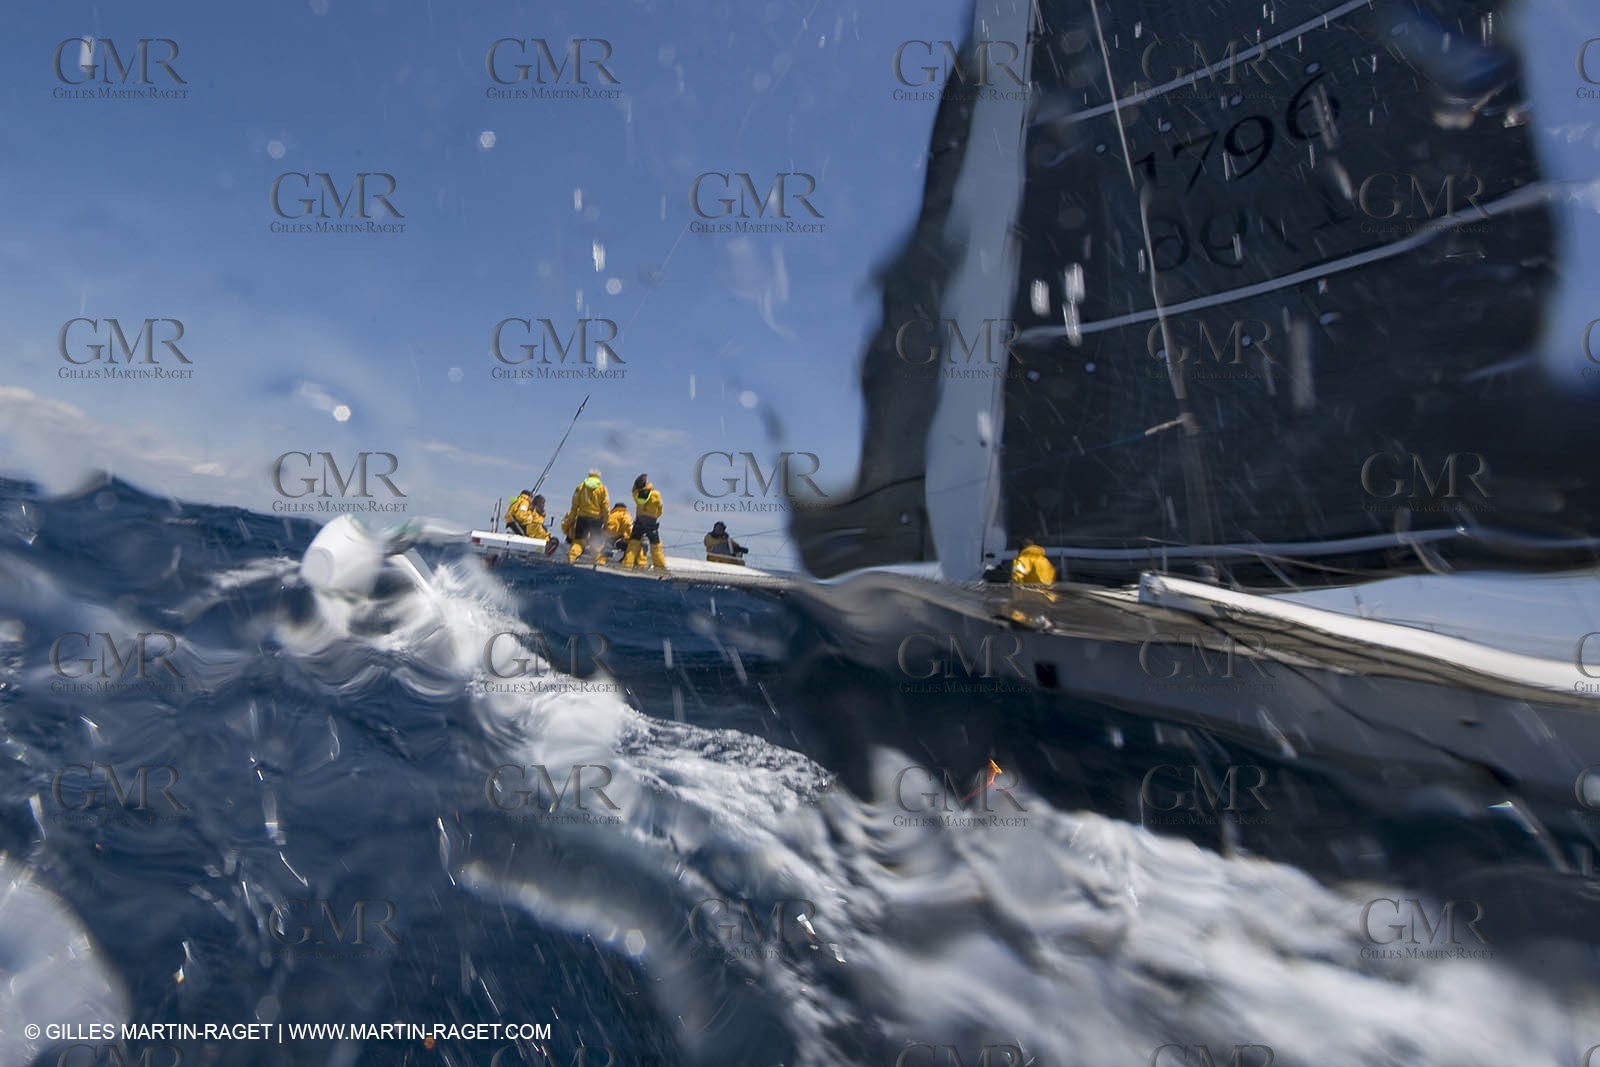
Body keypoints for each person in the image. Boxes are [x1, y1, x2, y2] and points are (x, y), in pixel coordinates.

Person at [623, 474, 668, 571]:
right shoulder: (656, 494)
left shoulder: (636, 494)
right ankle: (660, 567)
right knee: (656, 546)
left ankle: (627, 564)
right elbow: (660, 509)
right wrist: (655, 516)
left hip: (639, 521)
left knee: (633, 543)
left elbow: (633, 490)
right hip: (651, 522)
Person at [567, 468, 611, 564]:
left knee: (578, 541)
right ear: (599, 477)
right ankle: (599, 562)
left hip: (582, 518)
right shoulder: (603, 489)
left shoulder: (580, 487)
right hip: (596, 520)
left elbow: (574, 506)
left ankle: (572, 557)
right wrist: (606, 523)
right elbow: (606, 508)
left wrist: (571, 520)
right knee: (596, 543)